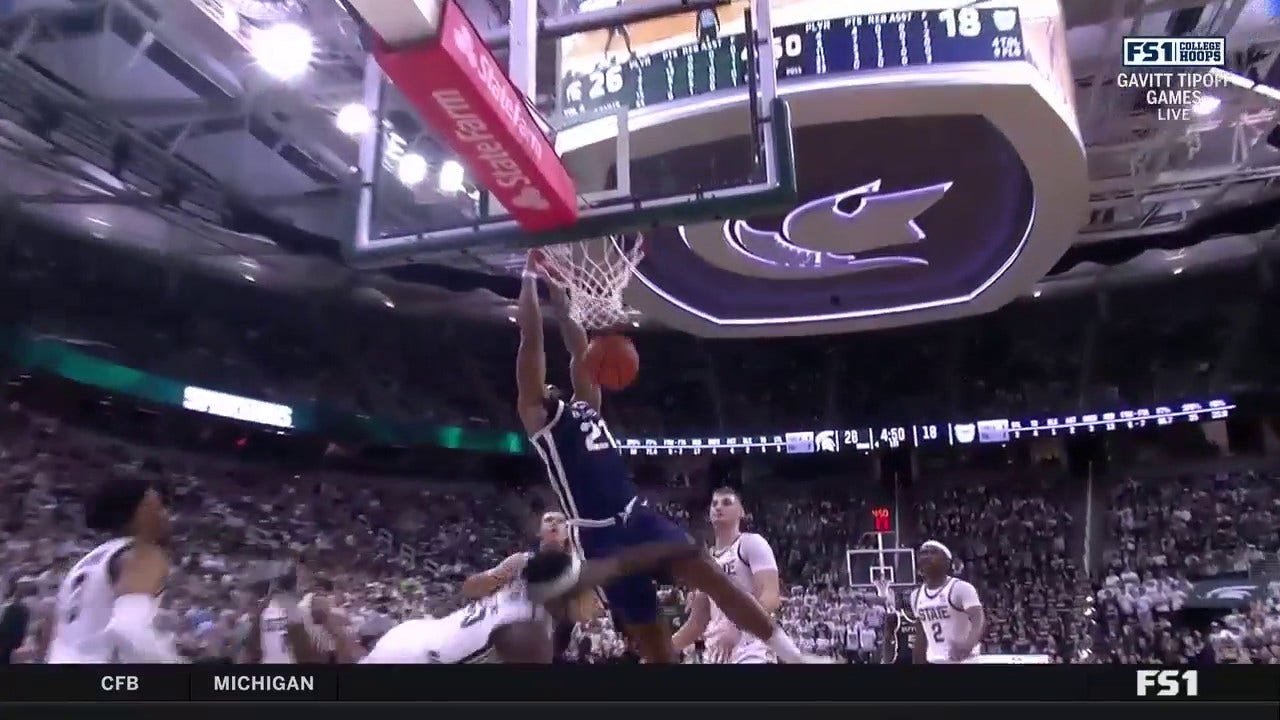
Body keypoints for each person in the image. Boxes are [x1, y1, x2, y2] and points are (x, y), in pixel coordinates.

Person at [514, 254, 815, 664]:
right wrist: (529, 282)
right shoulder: (539, 419)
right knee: (655, 644)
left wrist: (559, 294)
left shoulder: (586, 403)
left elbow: (577, 347)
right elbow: (531, 341)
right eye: (542, 382)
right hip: (599, 537)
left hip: (638, 516)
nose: (548, 383)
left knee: (709, 574)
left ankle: (796, 658)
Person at [361, 541, 700, 664]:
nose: (595, 597)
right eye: (586, 591)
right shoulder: (529, 632)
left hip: (415, 633)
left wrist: (672, 549)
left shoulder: (535, 587)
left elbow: (615, 566)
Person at [47, 476, 183, 663]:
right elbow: (128, 629)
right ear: (142, 513)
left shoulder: (85, 563)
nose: (167, 515)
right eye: (160, 506)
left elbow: (51, 631)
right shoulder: (142, 555)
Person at [671, 488, 781, 663]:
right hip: (716, 652)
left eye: (727, 502)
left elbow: (770, 597)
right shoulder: (706, 561)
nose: (718, 507)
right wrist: (659, 652)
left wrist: (737, 628)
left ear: (741, 512)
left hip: (752, 648)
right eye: (714, 504)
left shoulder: (751, 543)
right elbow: (698, 622)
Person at [461, 511, 585, 661]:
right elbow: (478, 586)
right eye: (549, 520)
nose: (554, 523)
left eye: (560, 521)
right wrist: (488, 579)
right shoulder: (520, 560)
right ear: (539, 532)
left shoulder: (574, 569)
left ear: (567, 532)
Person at [909, 540, 985, 664]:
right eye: (923, 553)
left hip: (965, 660)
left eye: (933, 552)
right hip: (935, 661)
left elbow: (978, 618)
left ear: (947, 562)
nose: (926, 556)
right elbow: (921, 635)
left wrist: (968, 644)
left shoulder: (960, 588)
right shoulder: (916, 595)